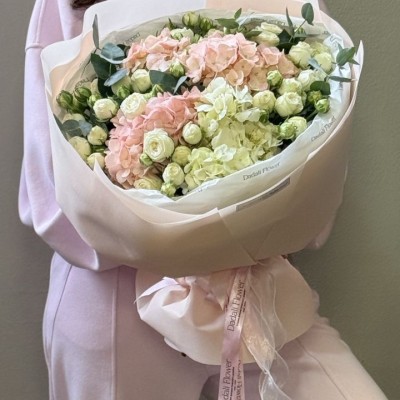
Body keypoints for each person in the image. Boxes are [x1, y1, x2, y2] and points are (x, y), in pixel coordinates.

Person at [19, 0, 388, 399]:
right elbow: (50, 203)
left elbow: (321, 162)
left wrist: (249, 233)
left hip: (258, 293)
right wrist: (172, 241)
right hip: (115, 311)